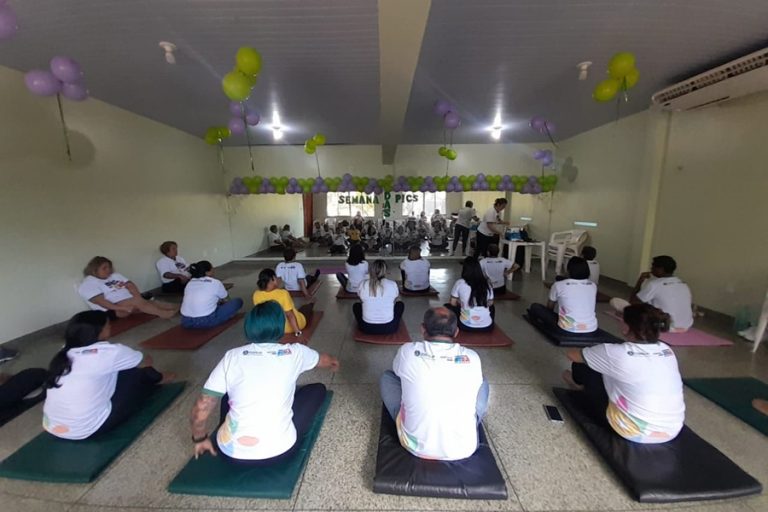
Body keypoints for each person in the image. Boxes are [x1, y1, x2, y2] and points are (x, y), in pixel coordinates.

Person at [189, 301, 340, 464]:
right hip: (279, 452)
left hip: (229, 453)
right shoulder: (295, 352)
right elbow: (324, 360)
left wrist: (200, 439)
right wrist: (334, 362)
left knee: (226, 394)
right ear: (281, 326)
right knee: (317, 389)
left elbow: (202, 406)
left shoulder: (231, 356)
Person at [562, 303, 685, 444]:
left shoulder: (615, 352)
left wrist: (595, 351)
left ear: (627, 327)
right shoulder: (667, 350)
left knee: (584, 364)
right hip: (672, 430)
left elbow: (572, 355)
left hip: (630, 431)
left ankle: (578, 386)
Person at [43, 311, 174, 440]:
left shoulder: (65, 350)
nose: (111, 326)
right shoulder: (111, 352)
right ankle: (161, 378)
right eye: (108, 325)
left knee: (117, 369)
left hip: (53, 426)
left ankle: (156, 378)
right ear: (99, 332)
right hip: (89, 428)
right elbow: (146, 361)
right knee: (137, 372)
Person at [380, 307, 487, 460]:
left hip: (413, 445)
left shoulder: (407, 351)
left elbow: (397, 374)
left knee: (387, 377)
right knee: (483, 382)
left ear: (423, 329)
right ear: (456, 332)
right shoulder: (472, 357)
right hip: (464, 447)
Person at [610, 255, 693, 332]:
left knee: (615, 301)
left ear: (661, 269)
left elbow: (633, 303)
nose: (651, 269)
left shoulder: (655, 284)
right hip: (686, 326)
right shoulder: (683, 284)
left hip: (662, 325)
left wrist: (640, 280)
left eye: (653, 266)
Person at [78, 256, 178, 320]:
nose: (108, 270)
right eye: (104, 268)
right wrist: (122, 307)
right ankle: (163, 314)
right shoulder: (88, 283)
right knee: (139, 302)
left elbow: (130, 285)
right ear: (94, 270)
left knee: (144, 302)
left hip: (130, 301)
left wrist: (138, 297)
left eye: (109, 267)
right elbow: (101, 302)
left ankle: (174, 307)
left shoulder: (114, 275)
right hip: (113, 309)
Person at [528, 257, 597, 334]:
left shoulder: (558, 285)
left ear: (568, 270)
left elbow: (550, 307)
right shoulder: (593, 285)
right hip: (591, 327)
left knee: (535, 307)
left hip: (567, 328)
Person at [180, 261, 244, 329]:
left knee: (214, 303)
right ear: (207, 272)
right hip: (206, 320)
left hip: (185, 321)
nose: (214, 270)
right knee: (238, 301)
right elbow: (227, 299)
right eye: (212, 268)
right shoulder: (215, 282)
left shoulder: (190, 283)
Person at [253, 269, 313, 337]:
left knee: (302, 309)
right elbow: (289, 315)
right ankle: (311, 304)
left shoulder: (256, 294)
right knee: (306, 309)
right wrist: (297, 331)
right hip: (287, 328)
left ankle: (309, 305)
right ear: (273, 278)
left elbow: (260, 315)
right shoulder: (283, 293)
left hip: (272, 328)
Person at [354, 260, 404, 334]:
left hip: (366, 327)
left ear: (371, 271)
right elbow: (395, 300)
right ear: (386, 271)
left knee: (356, 306)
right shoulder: (392, 284)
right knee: (400, 304)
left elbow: (360, 300)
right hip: (389, 328)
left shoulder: (363, 284)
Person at [446, 257, 495, 332]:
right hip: (487, 327)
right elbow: (490, 303)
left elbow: (452, 303)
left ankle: (455, 326)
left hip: (465, 326)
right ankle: (486, 321)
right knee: (492, 307)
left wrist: (461, 302)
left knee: (448, 306)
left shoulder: (460, 282)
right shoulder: (487, 283)